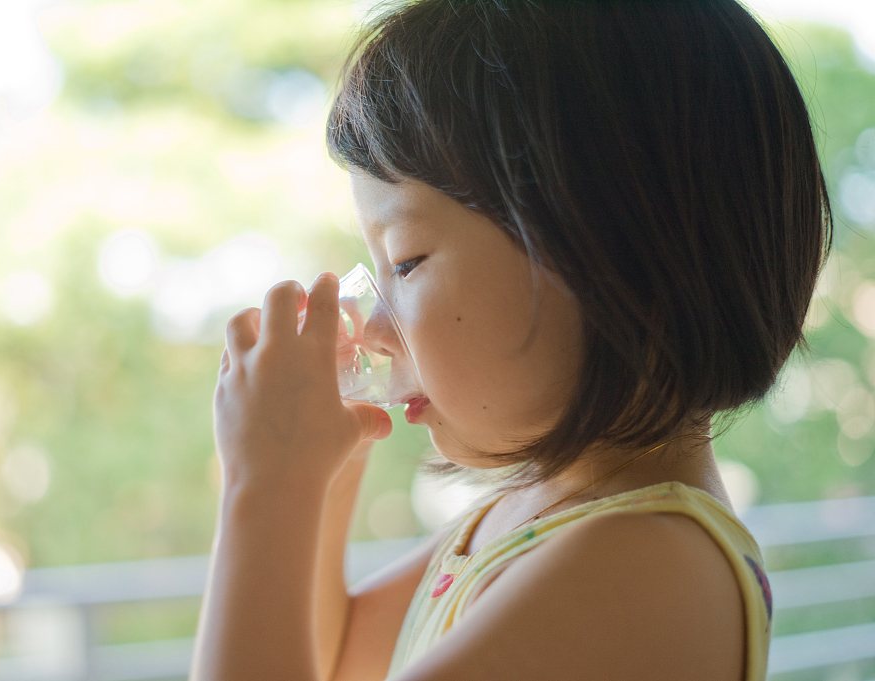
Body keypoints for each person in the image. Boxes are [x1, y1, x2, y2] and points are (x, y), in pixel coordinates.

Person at [191, 1, 831, 679]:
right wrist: (321, 477)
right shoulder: (528, 514)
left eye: (405, 260)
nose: (373, 328)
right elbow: (337, 657)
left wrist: (266, 489)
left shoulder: (649, 563)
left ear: (602, 252)